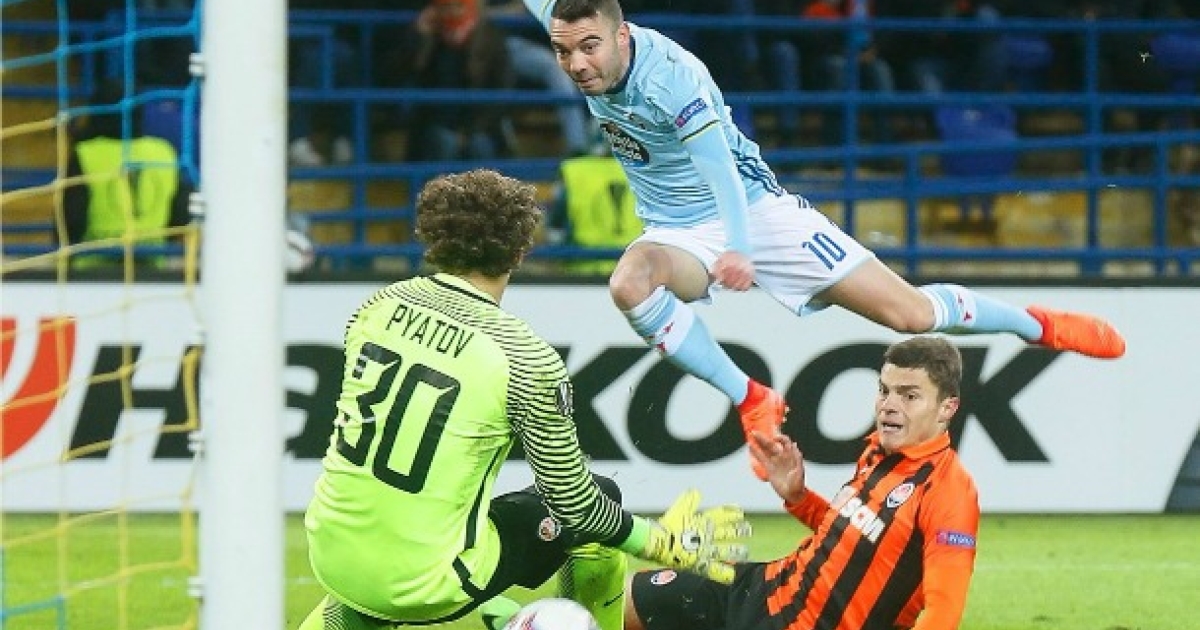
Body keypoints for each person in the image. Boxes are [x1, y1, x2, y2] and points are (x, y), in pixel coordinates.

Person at [520, 0, 1126, 482]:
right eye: (563, 50)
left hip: (754, 212)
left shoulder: (672, 80)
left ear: (623, 35)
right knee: (630, 282)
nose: (576, 64)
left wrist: (739, 247)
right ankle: (752, 398)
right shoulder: (572, 25)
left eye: (590, 46)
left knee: (911, 314)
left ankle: (1036, 324)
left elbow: (721, 171)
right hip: (676, 229)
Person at [296, 169, 750, 630]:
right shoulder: (525, 357)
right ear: (521, 249)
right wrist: (657, 540)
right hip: (425, 584)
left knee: (385, 555)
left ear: (432, 235)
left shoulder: (378, 305)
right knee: (601, 501)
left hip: (330, 550)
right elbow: (576, 505)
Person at [625, 335, 981, 630]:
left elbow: (943, 612)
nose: (889, 405)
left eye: (909, 396)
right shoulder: (878, 451)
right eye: (884, 390)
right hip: (765, 588)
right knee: (618, 600)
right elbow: (856, 537)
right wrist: (798, 497)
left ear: (947, 408)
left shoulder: (949, 493)